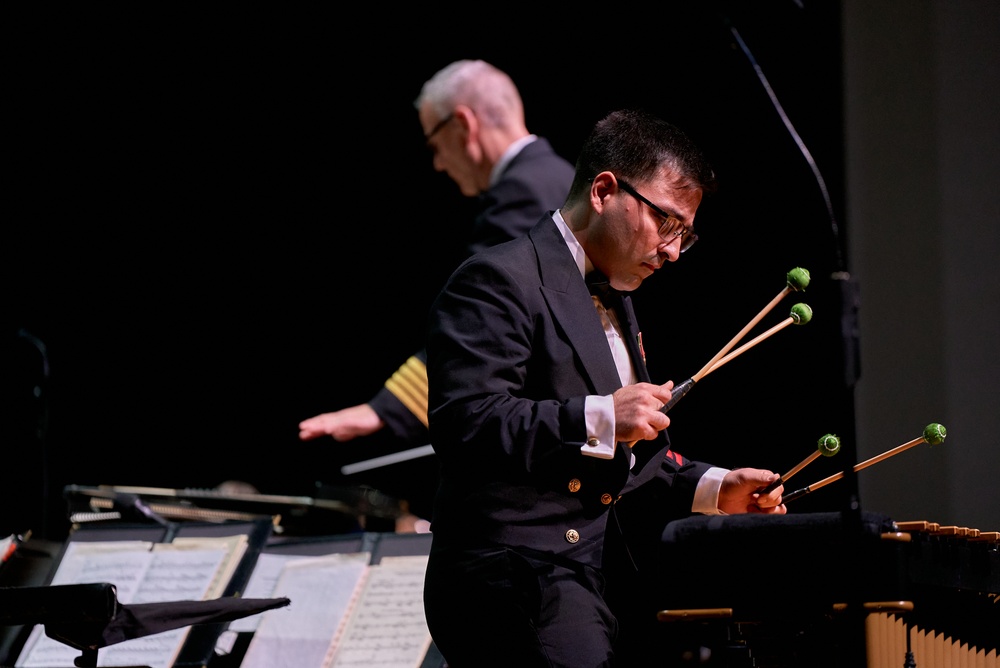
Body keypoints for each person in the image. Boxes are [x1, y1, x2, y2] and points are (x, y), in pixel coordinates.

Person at [421, 108, 787, 668]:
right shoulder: (497, 279)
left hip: (593, 579)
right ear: (603, 191)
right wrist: (599, 417)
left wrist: (714, 488)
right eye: (667, 224)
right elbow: (466, 421)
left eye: (685, 236)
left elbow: (627, 460)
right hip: (512, 577)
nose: (671, 251)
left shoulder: (619, 299)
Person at [297, 60, 575, 527]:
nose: (438, 163)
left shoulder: (523, 195)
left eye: (434, 143)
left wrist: (383, 410)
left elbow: (475, 329)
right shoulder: (560, 175)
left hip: (539, 462)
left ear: (463, 123)